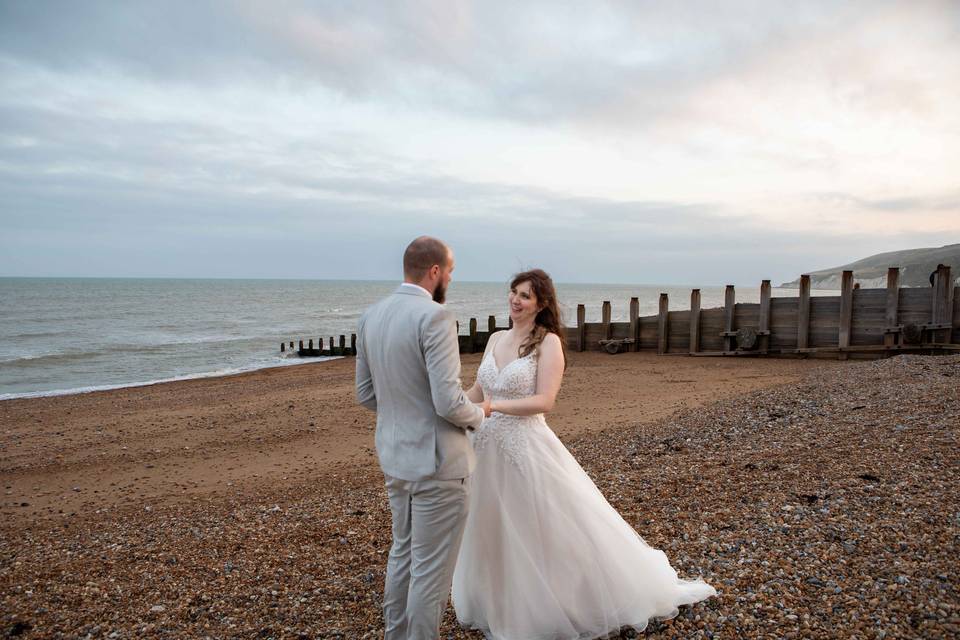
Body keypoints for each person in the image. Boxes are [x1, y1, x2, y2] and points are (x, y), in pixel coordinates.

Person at [452, 269, 717, 639]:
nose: (515, 300)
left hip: (524, 447)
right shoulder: (496, 338)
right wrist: (452, 404)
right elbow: (479, 389)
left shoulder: (549, 343)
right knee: (492, 525)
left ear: (541, 303)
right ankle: (498, 601)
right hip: (486, 448)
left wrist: (495, 407)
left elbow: (545, 400)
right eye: (513, 292)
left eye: (525, 295)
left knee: (541, 527)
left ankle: (556, 603)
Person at [355, 236, 490, 640]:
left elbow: (365, 394)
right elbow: (449, 403)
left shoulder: (371, 316)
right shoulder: (435, 317)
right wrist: (480, 414)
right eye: (449, 270)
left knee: (403, 555)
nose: (450, 277)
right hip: (439, 465)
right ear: (434, 271)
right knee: (430, 573)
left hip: (395, 459)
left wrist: (406, 413)